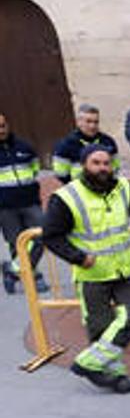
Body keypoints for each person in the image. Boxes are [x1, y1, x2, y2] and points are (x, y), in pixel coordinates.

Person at [41, 145, 130, 392]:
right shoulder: (67, 197)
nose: (103, 168)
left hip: (122, 271)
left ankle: (88, 361)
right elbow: (51, 237)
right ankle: (112, 372)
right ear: (85, 165)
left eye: (106, 163)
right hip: (91, 275)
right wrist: (78, 257)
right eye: (96, 163)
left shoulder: (123, 188)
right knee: (100, 326)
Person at [0, 113, 48, 294]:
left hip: (29, 203)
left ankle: (12, 271)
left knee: (43, 235)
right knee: (16, 242)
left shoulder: (25, 147)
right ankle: (32, 277)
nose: (1, 130)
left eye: (3, 125)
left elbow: (34, 170)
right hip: (5, 208)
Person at [52, 104, 121, 183]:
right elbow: (61, 174)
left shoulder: (108, 142)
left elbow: (115, 168)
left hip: (105, 189)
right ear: (78, 122)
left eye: (96, 122)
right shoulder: (65, 145)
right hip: (78, 190)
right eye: (88, 121)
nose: (92, 126)